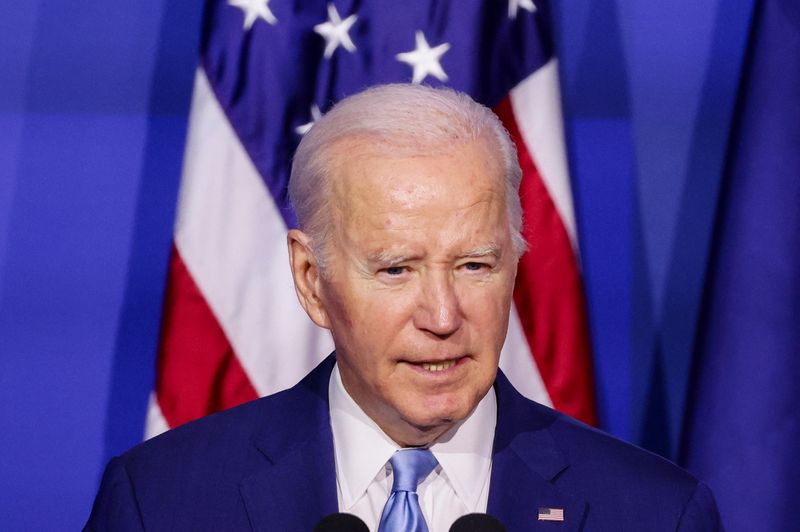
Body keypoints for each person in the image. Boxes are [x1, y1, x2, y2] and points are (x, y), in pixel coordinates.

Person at [86, 84, 720, 531]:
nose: (443, 316)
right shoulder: (162, 502)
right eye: (396, 269)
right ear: (311, 280)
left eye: (475, 265)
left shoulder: (655, 514)